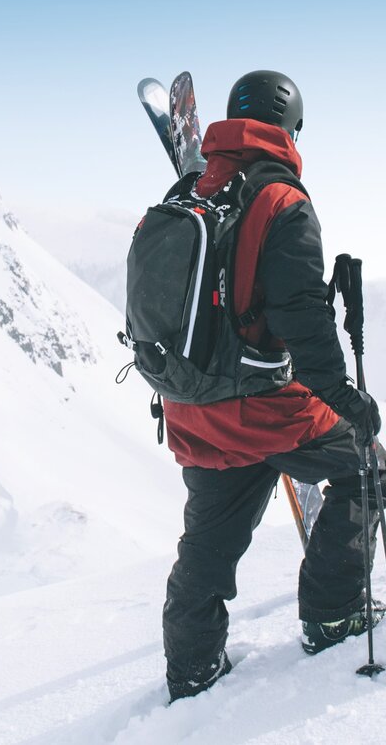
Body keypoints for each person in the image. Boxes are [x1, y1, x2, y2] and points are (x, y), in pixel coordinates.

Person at [162, 69, 385, 703]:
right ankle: (334, 613)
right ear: (291, 126)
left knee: (207, 543)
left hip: (190, 406)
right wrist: (348, 401)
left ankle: (192, 669)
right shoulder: (281, 200)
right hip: (263, 407)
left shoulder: (190, 191)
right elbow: (303, 320)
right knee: (366, 468)